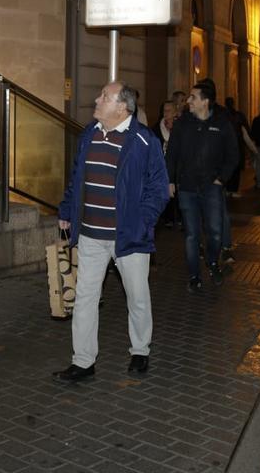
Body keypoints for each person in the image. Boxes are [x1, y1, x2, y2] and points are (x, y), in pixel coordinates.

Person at [53, 81, 169, 383]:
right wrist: (67, 209)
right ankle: (83, 361)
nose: (97, 99)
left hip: (128, 238)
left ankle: (140, 351)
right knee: (85, 297)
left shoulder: (144, 140)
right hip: (91, 234)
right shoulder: (89, 134)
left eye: (105, 96)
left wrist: (142, 222)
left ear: (122, 107)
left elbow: (159, 188)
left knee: (137, 296)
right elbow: (77, 177)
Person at [166, 80, 239, 292]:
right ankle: (194, 276)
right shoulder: (182, 124)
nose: (189, 101)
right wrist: (170, 180)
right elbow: (172, 154)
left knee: (215, 232)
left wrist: (221, 179)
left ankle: (213, 262)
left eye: (193, 97)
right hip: (187, 188)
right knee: (192, 235)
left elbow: (233, 155)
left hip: (212, 188)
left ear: (205, 102)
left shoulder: (222, 123)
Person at [153, 101, 180, 228]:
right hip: (161, 166)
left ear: (175, 112)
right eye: (164, 110)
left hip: (178, 167)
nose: (166, 113)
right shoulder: (156, 129)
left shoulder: (181, 127)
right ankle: (166, 218)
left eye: (169, 110)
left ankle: (179, 218)